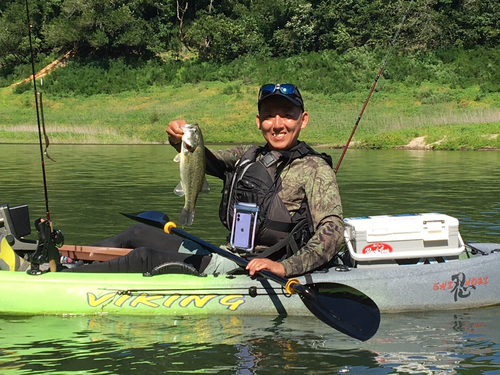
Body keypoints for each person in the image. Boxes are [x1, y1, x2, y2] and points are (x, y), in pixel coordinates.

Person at [1, 83, 344, 277]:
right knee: (138, 232)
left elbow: (332, 232)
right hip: (228, 251)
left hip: (255, 267)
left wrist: (283, 267)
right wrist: (177, 138)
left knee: (148, 255)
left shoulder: (315, 170)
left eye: (287, 115)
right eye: (269, 116)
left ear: (304, 120)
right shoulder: (247, 155)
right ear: (258, 121)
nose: (278, 123)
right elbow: (201, 160)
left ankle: (58, 281)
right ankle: (53, 259)